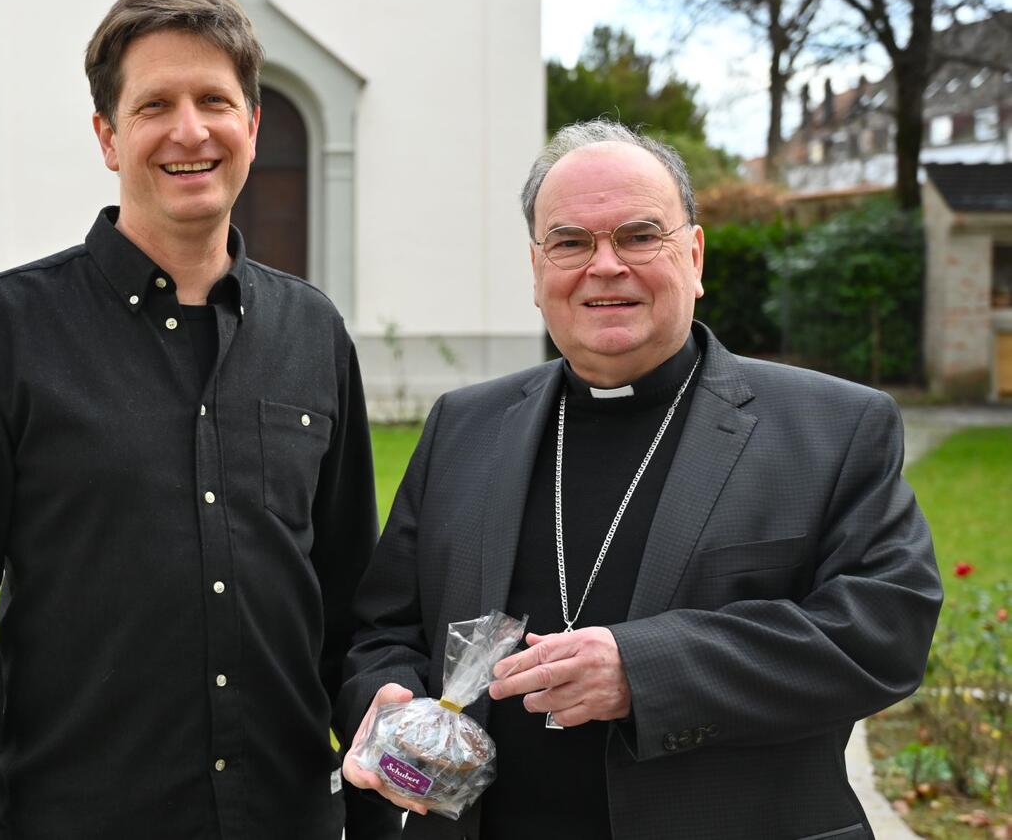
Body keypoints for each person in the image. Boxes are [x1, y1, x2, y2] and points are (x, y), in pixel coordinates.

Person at [338, 118, 942, 840]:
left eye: (637, 235)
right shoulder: (463, 426)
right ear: (537, 271)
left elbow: (882, 631)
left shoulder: (830, 428)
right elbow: (383, 629)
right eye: (570, 242)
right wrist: (388, 700)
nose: (605, 265)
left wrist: (646, 669)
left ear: (694, 253)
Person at [0, 0, 391, 839]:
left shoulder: (314, 332)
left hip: (287, 816)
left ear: (253, 125)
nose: (189, 130)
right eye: (155, 103)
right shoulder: (0, 331)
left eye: (214, 101)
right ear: (107, 135)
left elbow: (353, 609)